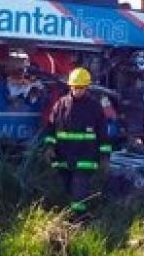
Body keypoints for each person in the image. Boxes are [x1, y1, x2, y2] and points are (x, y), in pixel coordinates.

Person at [44, 67, 112, 216]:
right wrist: (49, 147)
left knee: (79, 192)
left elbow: (103, 135)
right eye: (75, 87)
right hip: (63, 158)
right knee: (67, 190)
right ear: (70, 86)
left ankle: (79, 221)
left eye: (81, 88)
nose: (78, 90)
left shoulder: (94, 108)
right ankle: (69, 218)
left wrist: (105, 157)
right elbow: (50, 128)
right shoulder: (61, 105)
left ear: (87, 87)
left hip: (85, 159)